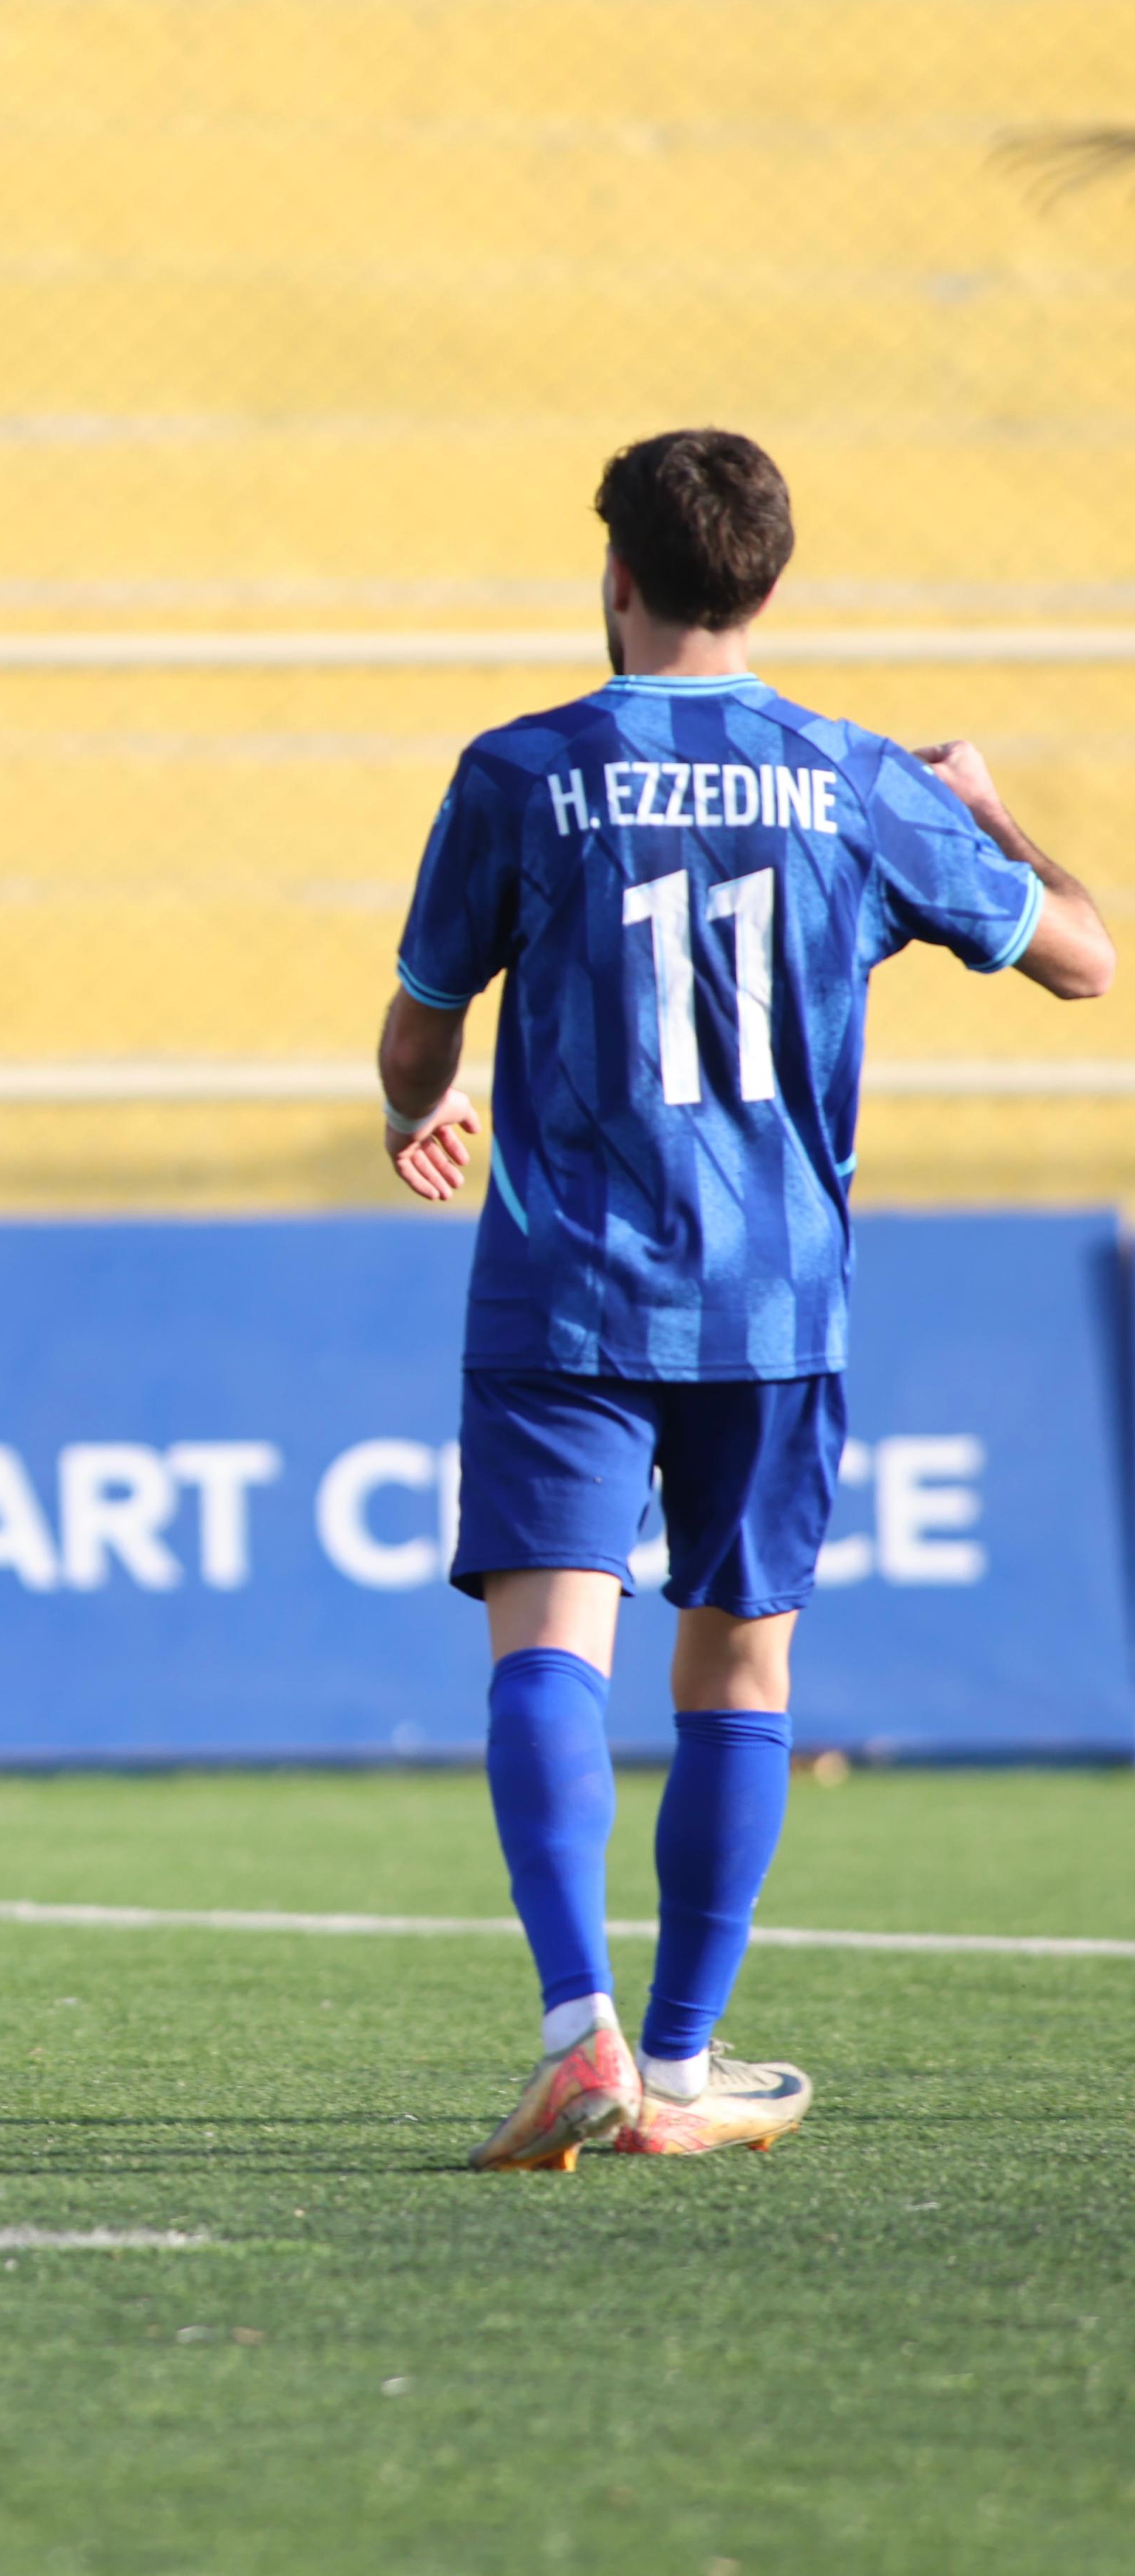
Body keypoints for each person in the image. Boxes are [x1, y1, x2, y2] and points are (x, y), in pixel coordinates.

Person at [378, 429, 1110, 2173]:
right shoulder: (854, 780)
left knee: (548, 1647)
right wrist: (986, 806)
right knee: (738, 1660)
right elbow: (1088, 957)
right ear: (768, 583)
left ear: (616, 573)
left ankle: (578, 2030)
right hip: (769, 1304)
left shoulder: (521, 770)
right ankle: (681, 2066)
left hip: (567, 1284)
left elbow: (417, 1035)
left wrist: (420, 1104)